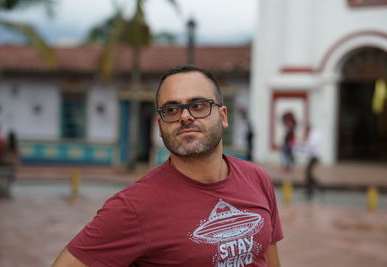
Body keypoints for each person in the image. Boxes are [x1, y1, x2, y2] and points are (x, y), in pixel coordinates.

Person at [52, 65, 283, 267]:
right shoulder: (133, 207)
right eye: (171, 110)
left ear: (223, 115)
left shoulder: (257, 178)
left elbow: (269, 258)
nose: (185, 116)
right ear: (160, 124)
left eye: (199, 105)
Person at [294, 125, 321, 200]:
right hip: (313, 157)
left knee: (308, 173)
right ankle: (310, 189)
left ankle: (316, 185)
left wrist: (299, 147)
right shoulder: (312, 136)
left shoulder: (312, 136)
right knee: (308, 173)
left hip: (314, 157)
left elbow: (309, 146)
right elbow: (307, 146)